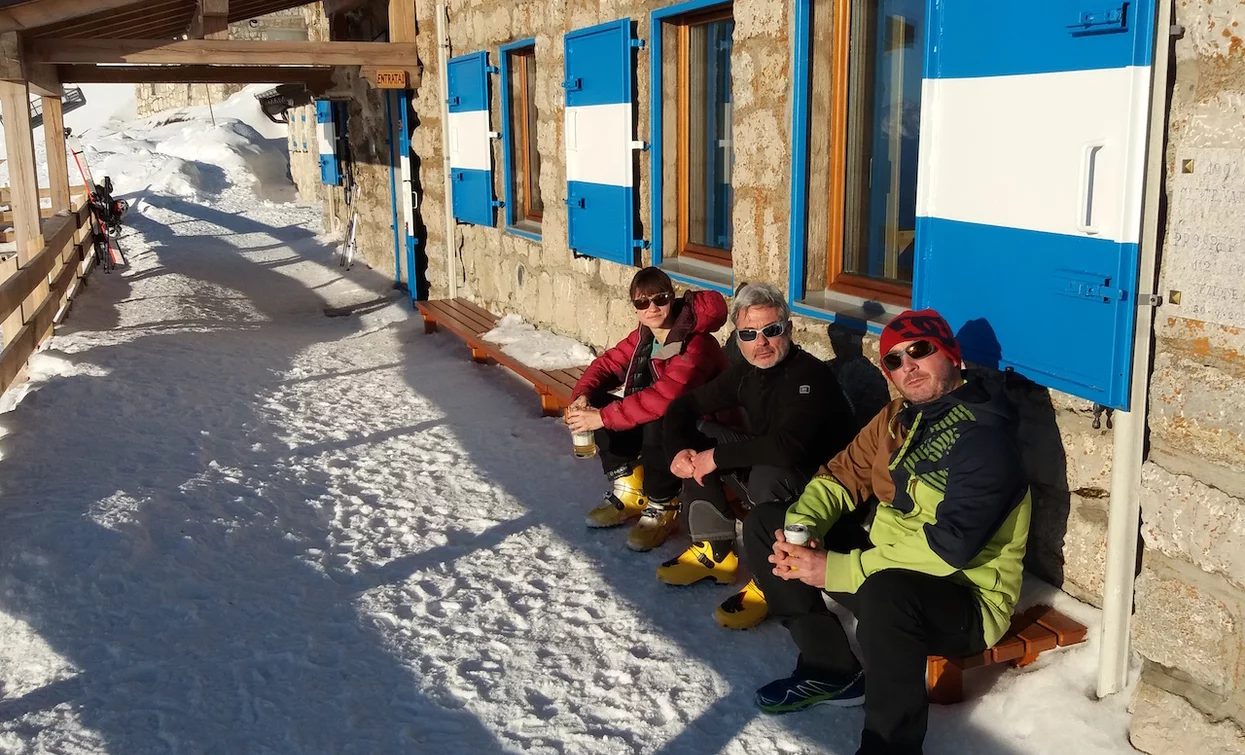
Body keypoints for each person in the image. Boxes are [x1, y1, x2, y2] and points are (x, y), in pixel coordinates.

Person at [748, 308, 1031, 755]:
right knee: (770, 522)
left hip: (964, 599)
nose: (908, 366)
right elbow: (841, 477)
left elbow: (948, 549)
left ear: (953, 357)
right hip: (888, 568)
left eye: (920, 350)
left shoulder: (986, 438)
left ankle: (888, 746)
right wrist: (801, 532)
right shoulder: (899, 416)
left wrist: (836, 570)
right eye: (894, 361)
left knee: (885, 595)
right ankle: (830, 668)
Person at [660, 283, 857, 623]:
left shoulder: (809, 376)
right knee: (699, 435)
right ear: (738, 337)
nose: (760, 343)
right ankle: (715, 550)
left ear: (789, 330)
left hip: (825, 492)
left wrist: (715, 458)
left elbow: (787, 447)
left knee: (769, 469)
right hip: (779, 474)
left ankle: (773, 579)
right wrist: (679, 451)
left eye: (771, 330)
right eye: (749, 334)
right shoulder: (747, 374)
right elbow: (684, 405)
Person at [566, 267, 728, 552]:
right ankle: (629, 490)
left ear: (672, 298)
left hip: (708, 428)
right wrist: (583, 397)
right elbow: (607, 364)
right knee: (601, 403)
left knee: (655, 419)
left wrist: (601, 418)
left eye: (660, 299)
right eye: (642, 302)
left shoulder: (695, 342)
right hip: (670, 419)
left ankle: (663, 505)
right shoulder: (645, 336)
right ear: (634, 307)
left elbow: (666, 396)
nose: (651, 308)